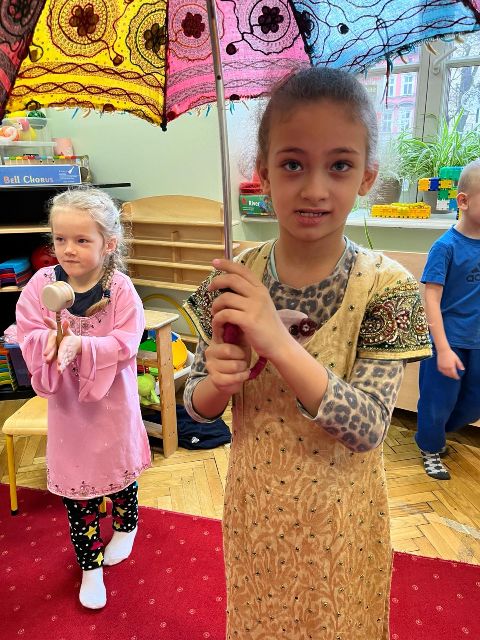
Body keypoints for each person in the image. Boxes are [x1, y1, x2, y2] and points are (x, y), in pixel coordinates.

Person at [183, 67, 431, 639]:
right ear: (262, 174)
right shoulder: (233, 279)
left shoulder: (388, 287)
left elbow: (368, 427)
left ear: (367, 177)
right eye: (292, 164)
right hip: (256, 517)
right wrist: (217, 382)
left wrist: (274, 340)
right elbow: (193, 404)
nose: (315, 188)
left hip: (343, 523)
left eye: (339, 165)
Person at [16, 187, 150, 609]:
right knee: (77, 489)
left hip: (112, 404)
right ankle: (90, 567)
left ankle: (126, 526)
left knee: (120, 471)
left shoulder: (120, 289)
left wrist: (86, 346)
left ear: (108, 244)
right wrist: (49, 341)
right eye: (60, 239)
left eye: (81, 240)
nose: (68, 249)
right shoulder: (41, 284)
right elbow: (26, 328)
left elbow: (128, 341)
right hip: (70, 410)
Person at [415, 159, 480, 480]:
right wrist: (441, 348)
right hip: (448, 341)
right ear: (463, 201)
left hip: (477, 343)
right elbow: (431, 299)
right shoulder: (445, 247)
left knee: (473, 402)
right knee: (437, 402)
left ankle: (437, 431)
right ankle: (430, 446)